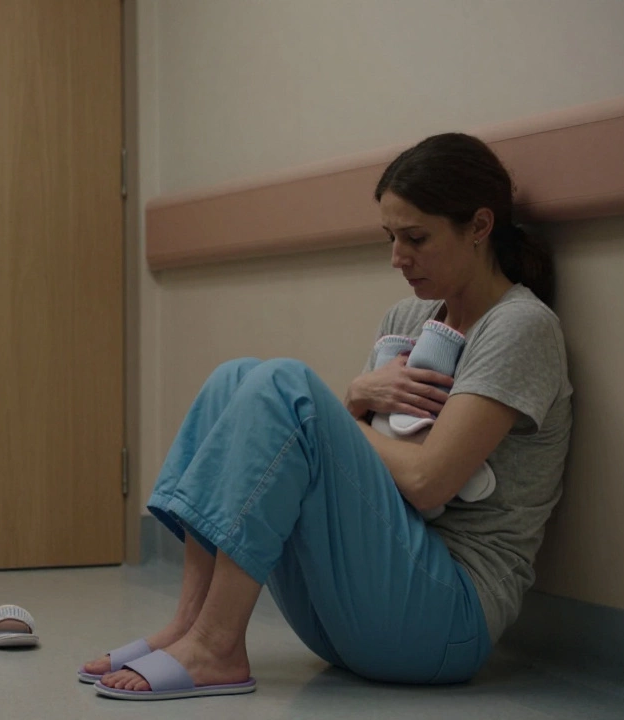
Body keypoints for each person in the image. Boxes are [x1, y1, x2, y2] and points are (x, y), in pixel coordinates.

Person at [83, 133, 572, 700]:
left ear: (480, 227)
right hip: (356, 609)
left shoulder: (520, 327)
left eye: (416, 238)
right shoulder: (408, 316)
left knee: (287, 387)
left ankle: (218, 646)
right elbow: (347, 458)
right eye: (390, 238)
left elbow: (424, 479)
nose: (397, 258)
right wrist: (351, 403)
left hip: (445, 621)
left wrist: (343, 411)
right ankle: (190, 625)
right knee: (237, 379)